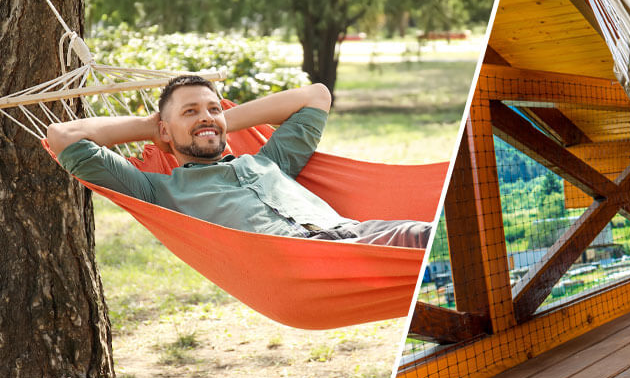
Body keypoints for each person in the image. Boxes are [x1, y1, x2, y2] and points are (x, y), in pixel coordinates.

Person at [47, 75, 431, 248]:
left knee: (422, 233)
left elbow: (316, 96)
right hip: (309, 256)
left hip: (358, 234)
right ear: (164, 130)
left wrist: (215, 122)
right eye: (191, 111)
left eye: (213, 108)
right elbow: (63, 138)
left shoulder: (268, 162)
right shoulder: (158, 190)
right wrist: (153, 127)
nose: (206, 116)